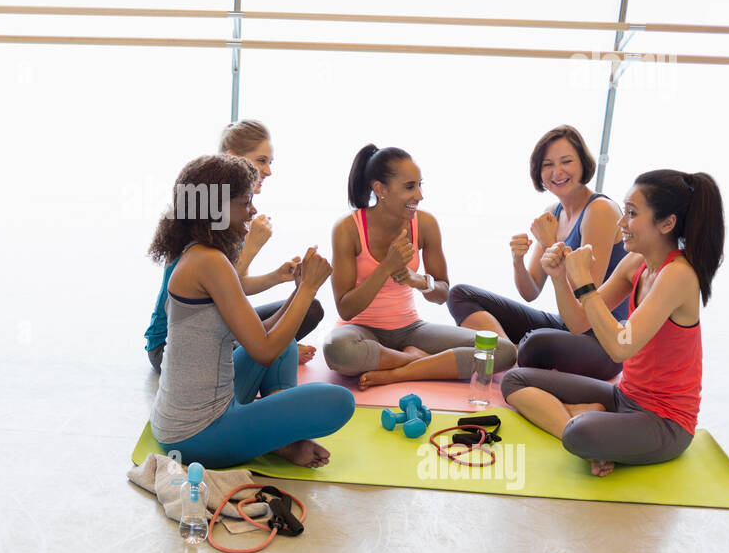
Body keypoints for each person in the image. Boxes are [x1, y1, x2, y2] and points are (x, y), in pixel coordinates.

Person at [501, 170, 724, 475]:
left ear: (667, 223)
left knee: (581, 433)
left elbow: (620, 349)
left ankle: (586, 430)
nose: (622, 223)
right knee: (515, 380)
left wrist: (584, 283)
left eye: (631, 214)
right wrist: (559, 278)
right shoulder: (636, 262)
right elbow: (579, 322)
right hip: (624, 397)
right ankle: (585, 428)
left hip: (665, 423)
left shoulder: (679, 275)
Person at [148, 153, 354, 470]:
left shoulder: (203, 253)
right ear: (216, 209)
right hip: (195, 436)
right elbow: (263, 351)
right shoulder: (209, 262)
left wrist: (299, 290)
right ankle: (278, 435)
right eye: (245, 203)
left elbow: (264, 334)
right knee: (340, 402)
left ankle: (279, 435)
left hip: (189, 416)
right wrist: (310, 288)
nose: (253, 210)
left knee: (286, 341)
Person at [323, 144, 518, 389]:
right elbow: (346, 310)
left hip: (411, 330)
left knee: (502, 351)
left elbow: (442, 294)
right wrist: (386, 267)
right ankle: (413, 359)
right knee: (336, 350)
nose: (419, 195)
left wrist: (418, 281)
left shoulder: (425, 224)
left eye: (419, 185)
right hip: (359, 331)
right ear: (380, 189)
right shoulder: (347, 229)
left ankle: (401, 371)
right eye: (409, 187)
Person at [447, 125, 627, 380]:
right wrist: (518, 260)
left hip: (601, 340)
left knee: (535, 343)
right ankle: (507, 353)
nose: (557, 172)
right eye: (548, 164)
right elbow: (530, 292)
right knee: (460, 294)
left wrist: (550, 242)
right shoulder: (554, 211)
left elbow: (585, 301)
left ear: (583, 164)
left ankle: (517, 356)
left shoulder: (600, 210)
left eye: (566, 161)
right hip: (567, 327)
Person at [145, 119, 323, 370]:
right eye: (261, 161)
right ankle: (279, 352)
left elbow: (236, 286)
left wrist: (277, 277)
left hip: (217, 327)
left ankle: (273, 351)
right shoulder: (202, 218)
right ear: (233, 159)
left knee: (310, 309)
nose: (268, 171)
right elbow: (215, 290)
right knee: (273, 344)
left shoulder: (233, 215)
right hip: (175, 346)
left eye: (270, 162)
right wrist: (252, 246)